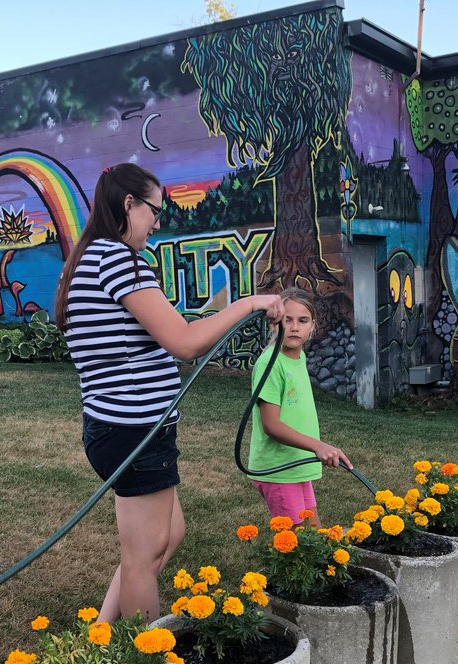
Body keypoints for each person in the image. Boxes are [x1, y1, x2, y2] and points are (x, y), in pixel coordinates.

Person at [55, 162, 285, 623]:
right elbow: (183, 342)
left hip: (122, 426)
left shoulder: (90, 258)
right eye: (154, 211)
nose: (157, 223)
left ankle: (101, 633)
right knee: (144, 554)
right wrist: (249, 303)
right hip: (133, 429)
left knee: (170, 533)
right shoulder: (118, 258)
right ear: (129, 205)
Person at [247, 288, 352, 522]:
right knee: (297, 546)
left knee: (313, 537)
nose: (295, 327)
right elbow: (271, 425)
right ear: (274, 323)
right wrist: (318, 446)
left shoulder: (298, 356)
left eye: (302, 320)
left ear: (312, 325)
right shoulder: (271, 364)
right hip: (279, 469)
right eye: (287, 319)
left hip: (296, 463)